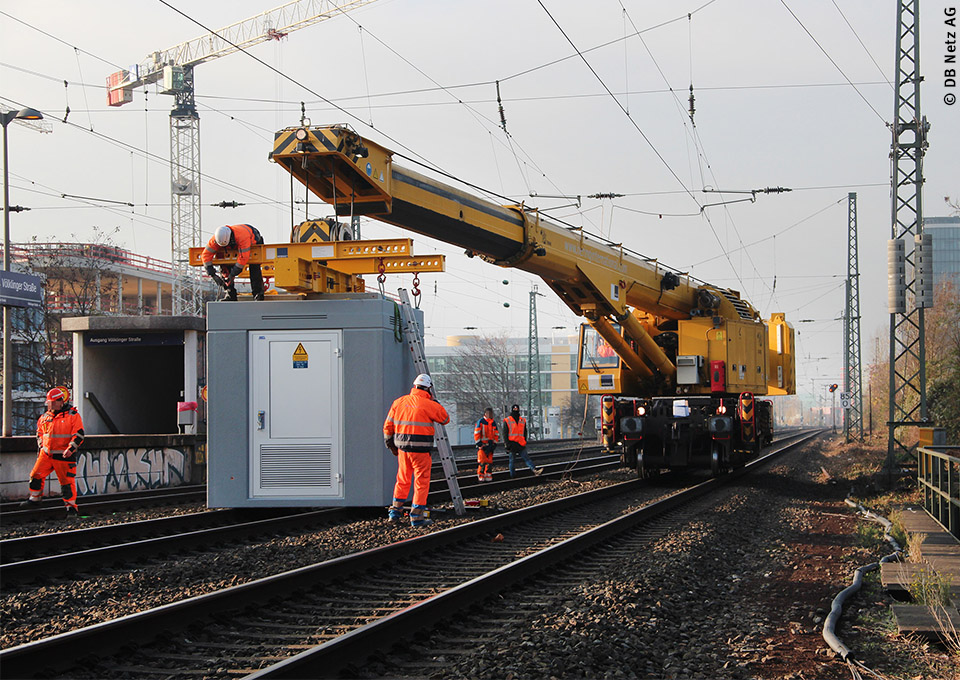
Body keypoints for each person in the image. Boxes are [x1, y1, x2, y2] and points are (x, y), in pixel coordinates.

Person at [383, 373, 450, 527]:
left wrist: (390, 444)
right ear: (429, 389)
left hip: (403, 450)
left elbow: (388, 427)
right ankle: (416, 516)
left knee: (402, 480)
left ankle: (394, 513)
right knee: (421, 482)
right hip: (421, 451)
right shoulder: (430, 404)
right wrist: (435, 402)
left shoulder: (399, 402)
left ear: (414, 386)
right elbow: (445, 419)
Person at [20, 387, 85, 517]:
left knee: (66, 483)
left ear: (61, 401)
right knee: (35, 476)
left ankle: (71, 508)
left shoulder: (72, 415)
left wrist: (70, 449)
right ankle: (35, 499)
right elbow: (40, 433)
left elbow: (79, 435)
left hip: (64, 456)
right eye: (49, 402)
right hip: (47, 454)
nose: (50, 405)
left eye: (52, 402)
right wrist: (41, 446)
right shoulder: (45, 417)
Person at [201, 224, 265, 301]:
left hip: (253, 241)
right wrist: (213, 274)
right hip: (233, 245)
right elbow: (206, 255)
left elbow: (243, 258)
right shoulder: (215, 239)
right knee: (224, 265)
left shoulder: (242, 237)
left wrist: (232, 275)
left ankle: (258, 294)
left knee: (254, 266)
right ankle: (230, 294)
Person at [502, 404, 542, 478]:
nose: (516, 410)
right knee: (512, 461)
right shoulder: (507, 420)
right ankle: (513, 476)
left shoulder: (522, 420)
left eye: (517, 409)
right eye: (515, 409)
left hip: (520, 443)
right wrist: (507, 444)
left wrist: (524, 441)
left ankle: (534, 470)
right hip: (512, 443)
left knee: (525, 458)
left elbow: (525, 432)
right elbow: (505, 433)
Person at [474, 407, 499, 482]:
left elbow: (496, 434)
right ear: (485, 414)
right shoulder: (481, 422)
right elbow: (477, 433)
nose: (489, 415)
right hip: (483, 445)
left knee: (489, 461)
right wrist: (479, 444)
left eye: (490, 413)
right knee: (482, 461)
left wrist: (495, 443)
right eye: (488, 413)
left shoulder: (493, 422)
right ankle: (481, 475)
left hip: (490, 445)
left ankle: (488, 475)